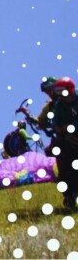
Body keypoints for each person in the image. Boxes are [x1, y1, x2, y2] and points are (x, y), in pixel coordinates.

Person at [50, 77, 78, 209]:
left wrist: (71, 126)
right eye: (59, 93)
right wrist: (59, 128)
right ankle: (69, 196)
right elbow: (56, 122)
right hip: (67, 142)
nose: (61, 96)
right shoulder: (59, 105)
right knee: (66, 169)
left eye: (64, 93)